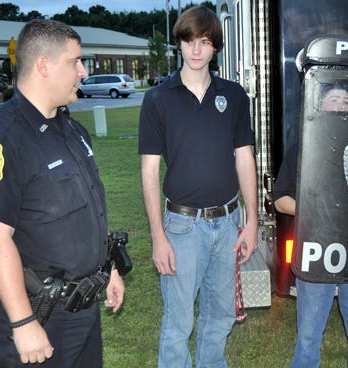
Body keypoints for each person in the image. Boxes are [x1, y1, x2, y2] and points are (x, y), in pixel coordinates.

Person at [0, 19, 124, 367]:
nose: (83, 72)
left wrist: (108, 267)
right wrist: (23, 323)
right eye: (75, 62)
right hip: (39, 315)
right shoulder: (0, 140)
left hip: (82, 308)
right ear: (43, 65)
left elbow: (86, 212)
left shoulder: (73, 131)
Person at [138, 6, 258, 368]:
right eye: (189, 41)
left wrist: (251, 221)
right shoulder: (158, 99)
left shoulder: (234, 96)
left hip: (227, 221)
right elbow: (149, 170)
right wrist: (158, 237)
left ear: (215, 47)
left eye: (204, 42)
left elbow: (245, 158)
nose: (195, 50)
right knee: (178, 322)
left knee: (220, 315)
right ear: (179, 44)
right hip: (182, 227)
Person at [273, 86, 348, 368]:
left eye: (346, 101)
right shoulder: (303, 149)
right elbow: (281, 200)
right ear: (320, 107)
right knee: (308, 334)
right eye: (334, 99)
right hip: (315, 249)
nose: (342, 105)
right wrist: (318, 213)